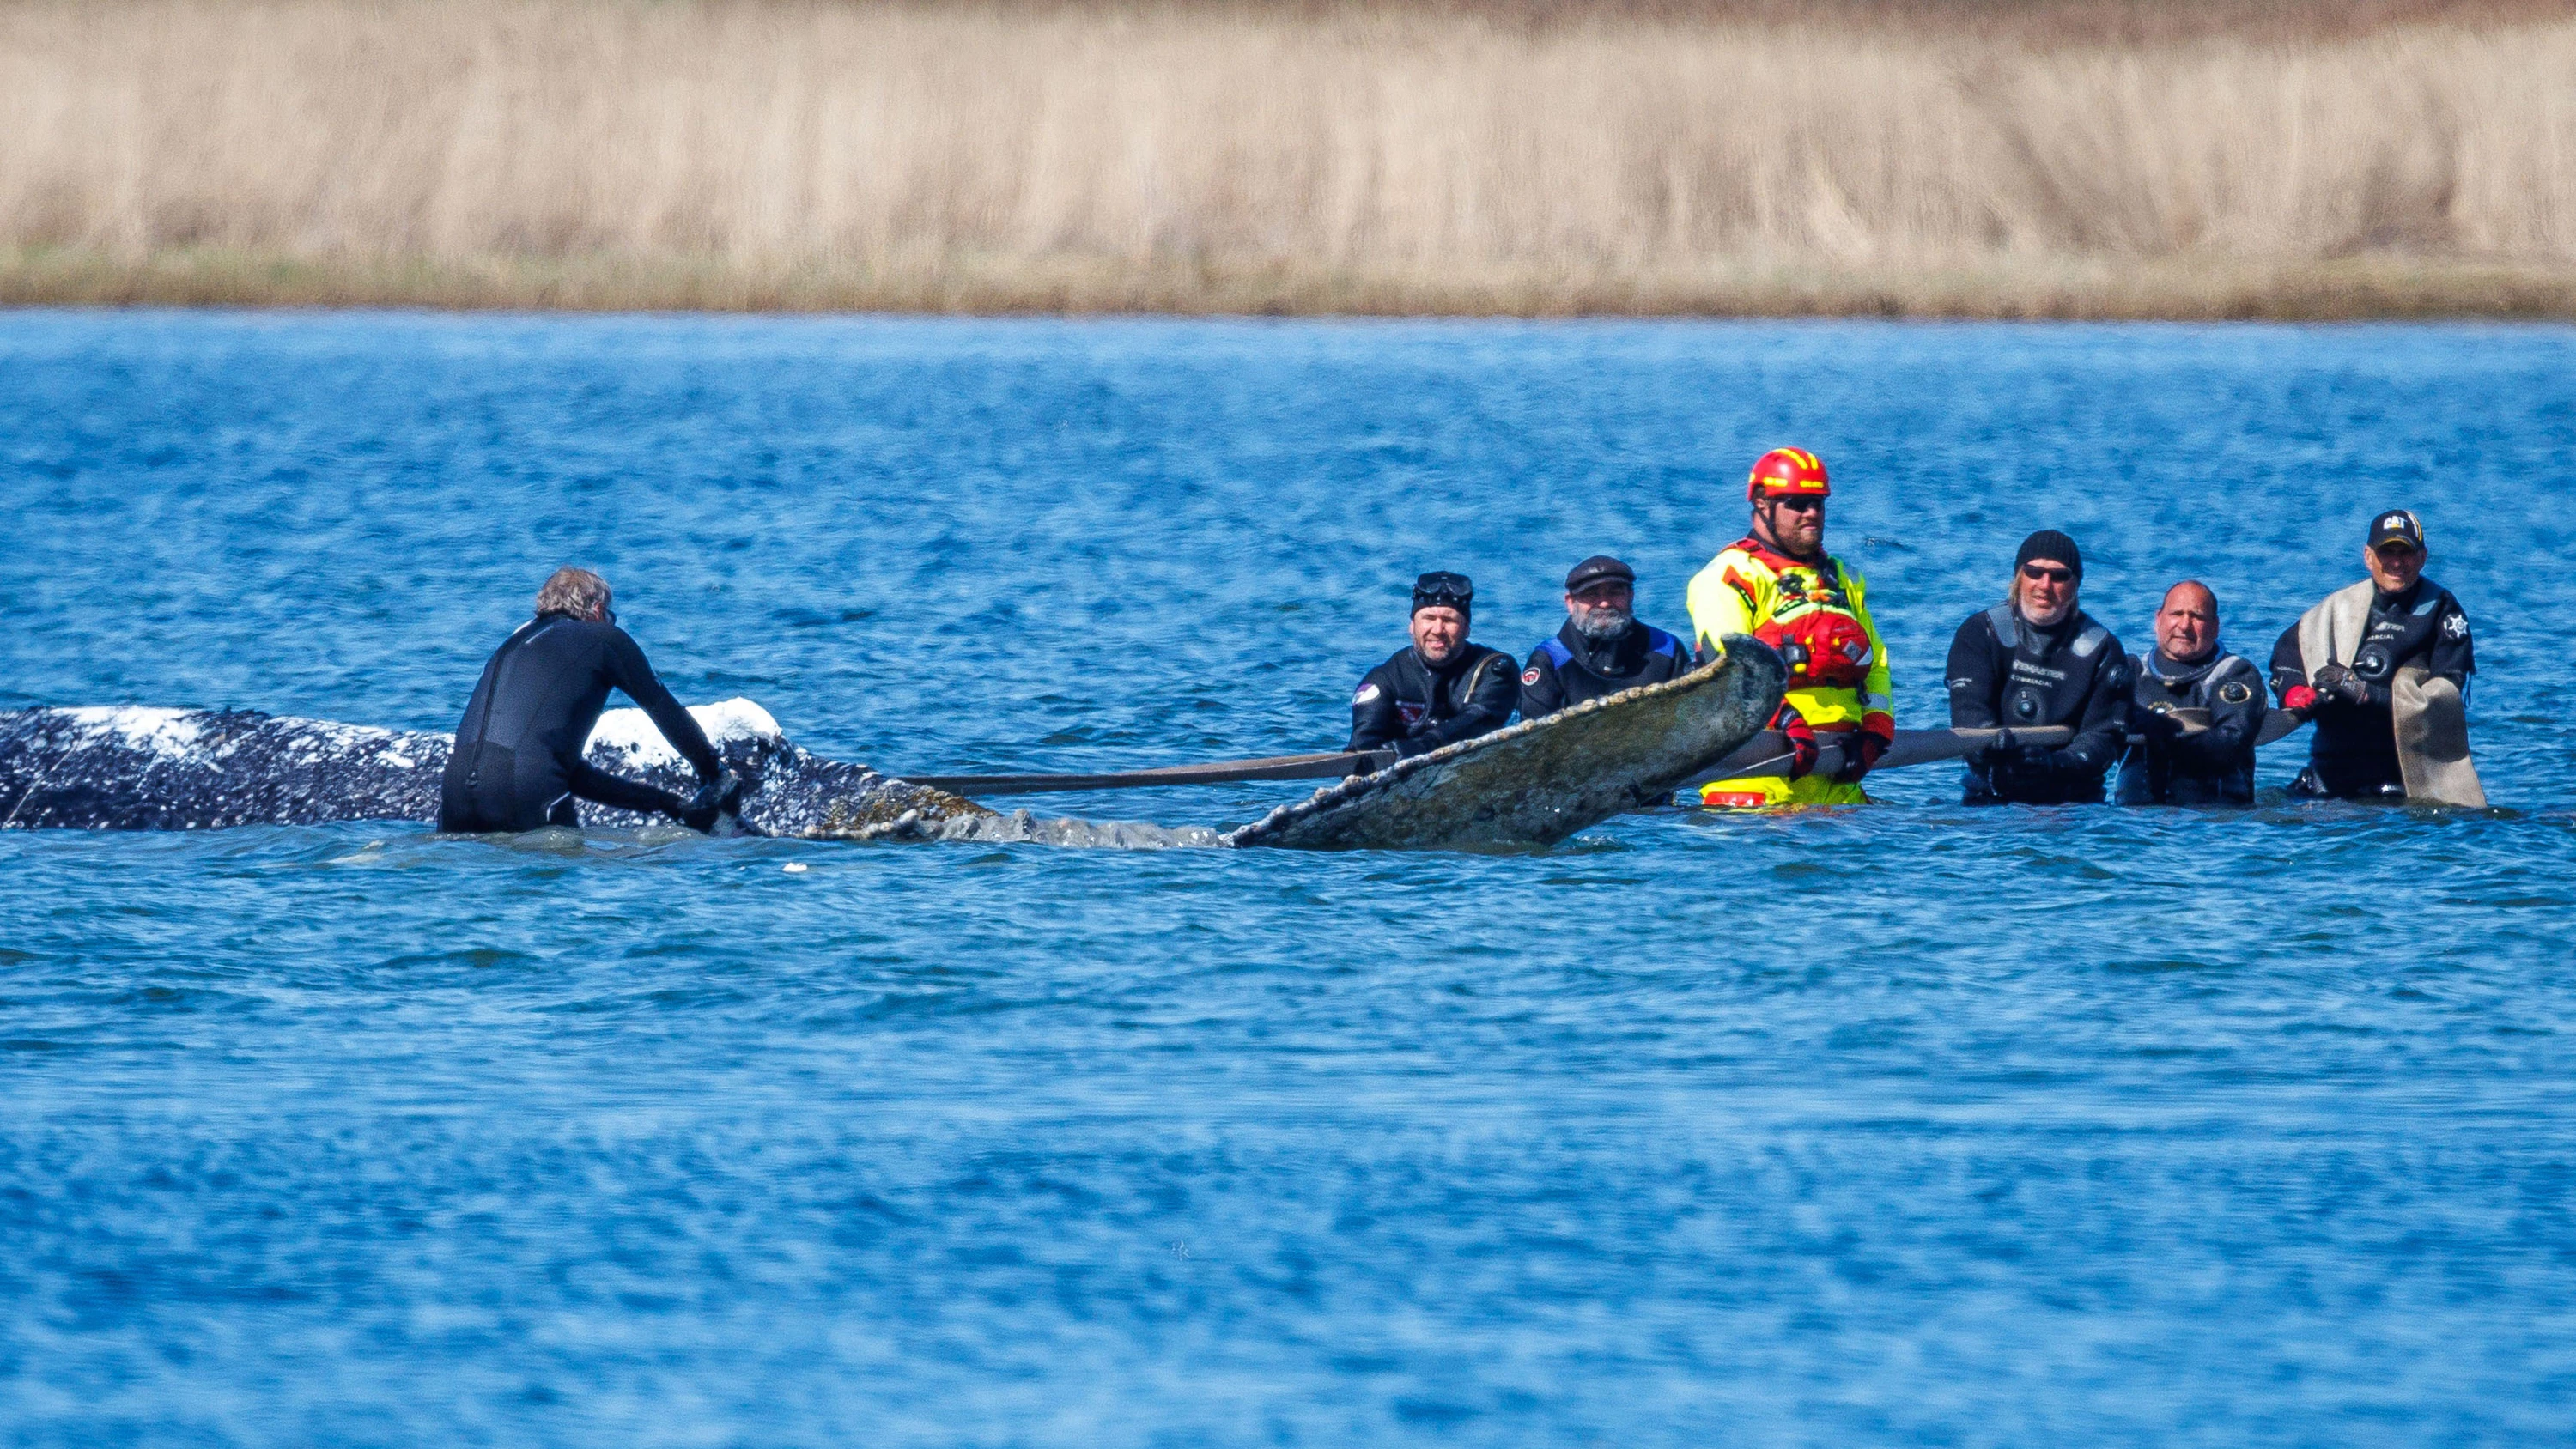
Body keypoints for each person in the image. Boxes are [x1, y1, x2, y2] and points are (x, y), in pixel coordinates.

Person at [440, 567, 738, 834]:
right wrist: (714, 774)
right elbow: (665, 710)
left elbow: (564, 771)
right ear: (597, 611)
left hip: (454, 794)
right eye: (612, 616)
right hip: (526, 788)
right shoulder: (604, 639)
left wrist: (666, 803)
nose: (613, 623)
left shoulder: (511, 646)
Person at [1684, 447, 1894, 807]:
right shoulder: (1730, 576)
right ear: (1763, 505)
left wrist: (1877, 728)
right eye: (1797, 503)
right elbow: (1728, 668)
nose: (1812, 513)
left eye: (1819, 503)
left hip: (1838, 781)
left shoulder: (1843, 579)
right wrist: (1785, 719)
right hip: (1756, 785)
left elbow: (1875, 662)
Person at [2269, 509, 2475, 799]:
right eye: (2386, 552)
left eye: (2405, 553)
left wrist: (2366, 693)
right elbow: (2289, 651)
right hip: (2328, 770)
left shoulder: (2443, 612)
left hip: (2401, 776)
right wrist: (2297, 693)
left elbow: (2444, 704)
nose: (2396, 563)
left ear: (2423, 557)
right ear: (2368, 557)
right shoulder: (2339, 607)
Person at [1947, 530, 2132, 805]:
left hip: (2074, 806)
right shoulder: (1978, 633)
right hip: (1988, 800)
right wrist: (1996, 748)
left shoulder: (2103, 649)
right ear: (2018, 578)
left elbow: (2103, 738)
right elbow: (1968, 714)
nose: (2045, 585)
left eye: (2059, 576)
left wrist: (2054, 764)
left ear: (2076, 584)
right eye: (2034, 572)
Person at [2117, 580, 2269, 805]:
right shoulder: (2131, 672)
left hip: (2212, 821)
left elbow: (2230, 745)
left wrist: (2167, 734)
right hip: (2134, 823)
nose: (2185, 625)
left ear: (2215, 626)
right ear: (2158, 620)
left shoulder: (2236, 673)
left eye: (2197, 617)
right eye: (2176, 614)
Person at [1347, 571, 1519, 758]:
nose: (1438, 630)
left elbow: (1479, 718)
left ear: (1467, 628)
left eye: (1449, 620)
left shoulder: (1496, 670)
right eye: (1428, 618)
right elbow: (1361, 750)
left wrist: (1425, 745)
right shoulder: (1384, 680)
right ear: (1412, 626)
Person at [1517, 555, 1693, 718]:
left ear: (1631, 597)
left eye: (1615, 593)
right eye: (1592, 594)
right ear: (1570, 603)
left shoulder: (1667, 649)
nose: (1604, 603)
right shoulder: (1550, 661)